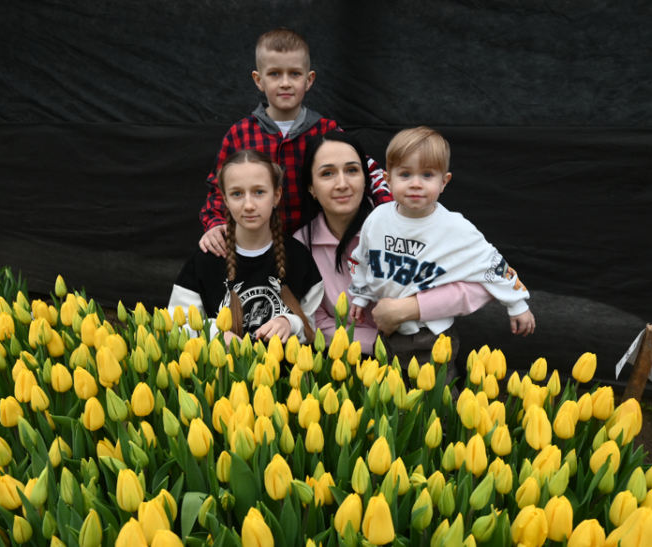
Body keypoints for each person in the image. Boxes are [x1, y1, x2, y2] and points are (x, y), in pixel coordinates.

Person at [295, 131, 496, 368]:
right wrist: (380, 343)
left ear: (366, 179)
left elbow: (485, 283)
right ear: (311, 187)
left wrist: (412, 308)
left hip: (422, 352)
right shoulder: (301, 244)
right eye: (327, 173)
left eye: (352, 170)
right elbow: (314, 319)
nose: (342, 184)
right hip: (346, 360)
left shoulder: (409, 221)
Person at [347, 127, 536, 369]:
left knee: (434, 389)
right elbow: (362, 259)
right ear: (388, 180)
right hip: (388, 330)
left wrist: (517, 304)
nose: (416, 184)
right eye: (405, 174)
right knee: (389, 388)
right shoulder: (377, 218)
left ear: (444, 182)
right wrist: (361, 296)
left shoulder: (456, 227)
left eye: (427, 175)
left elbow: (493, 264)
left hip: (431, 334)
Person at [199, 27, 391, 257]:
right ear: (259, 80)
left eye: (295, 74)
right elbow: (218, 189)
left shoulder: (326, 131)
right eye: (275, 74)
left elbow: (370, 172)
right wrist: (215, 224)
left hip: (314, 250)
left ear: (309, 80)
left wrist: (388, 210)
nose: (285, 83)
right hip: (256, 248)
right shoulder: (240, 134)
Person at [170, 149, 323, 343]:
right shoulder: (206, 259)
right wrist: (214, 334)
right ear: (225, 200)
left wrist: (290, 323)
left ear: (276, 195)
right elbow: (176, 325)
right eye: (237, 194)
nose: (249, 205)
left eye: (259, 192)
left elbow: (313, 328)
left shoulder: (299, 257)